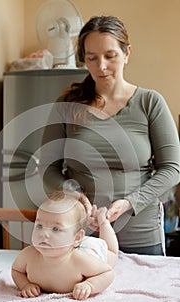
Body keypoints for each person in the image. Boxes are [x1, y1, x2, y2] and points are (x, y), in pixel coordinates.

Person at [39, 15, 180, 256]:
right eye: (92, 58)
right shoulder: (67, 105)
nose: (101, 66)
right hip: (81, 236)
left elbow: (172, 169)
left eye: (110, 56)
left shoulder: (150, 102)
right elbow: (47, 169)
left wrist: (130, 203)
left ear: (127, 53)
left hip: (141, 237)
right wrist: (75, 196)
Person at [12, 190, 118, 301]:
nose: (44, 234)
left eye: (56, 229)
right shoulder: (28, 255)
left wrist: (89, 285)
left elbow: (107, 272)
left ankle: (103, 221)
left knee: (111, 253)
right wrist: (25, 285)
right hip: (71, 242)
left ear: (77, 237)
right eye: (39, 226)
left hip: (87, 249)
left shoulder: (80, 260)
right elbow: (16, 271)